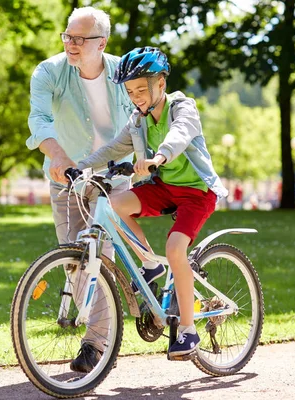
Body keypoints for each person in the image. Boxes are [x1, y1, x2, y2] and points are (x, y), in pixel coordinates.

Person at [76, 47, 228, 359]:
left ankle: (188, 331)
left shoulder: (183, 107)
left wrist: (158, 157)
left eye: (142, 89)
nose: (136, 97)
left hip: (197, 193)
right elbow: (114, 148)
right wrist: (82, 167)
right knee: (114, 204)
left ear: (161, 83)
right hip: (164, 187)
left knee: (175, 249)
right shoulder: (138, 121)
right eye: (130, 91)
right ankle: (149, 264)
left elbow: (180, 134)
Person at [26, 7, 141, 373]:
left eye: (80, 38)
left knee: (101, 259)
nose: (71, 44)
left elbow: (142, 115)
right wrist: (59, 157)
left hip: (113, 177)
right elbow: (39, 120)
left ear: (102, 43)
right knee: (76, 262)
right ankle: (108, 330)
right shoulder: (49, 72)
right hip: (67, 178)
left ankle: (95, 345)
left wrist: (146, 161)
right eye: (67, 36)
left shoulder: (125, 72)